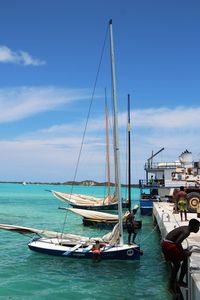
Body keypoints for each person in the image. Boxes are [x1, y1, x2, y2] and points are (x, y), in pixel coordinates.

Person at [161, 218, 200, 292]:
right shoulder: (187, 232)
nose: (198, 229)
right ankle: (180, 281)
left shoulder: (185, 228)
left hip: (166, 243)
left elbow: (177, 242)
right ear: (193, 226)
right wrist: (184, 253)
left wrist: (182, 251)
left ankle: (172, 284)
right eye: (197, 227)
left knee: (177, 264)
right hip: (169, 245)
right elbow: (177, 243)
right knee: (184, 258)